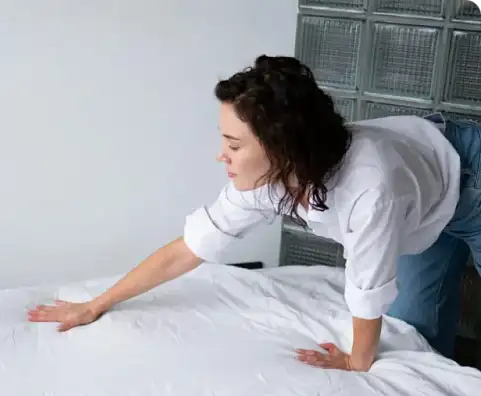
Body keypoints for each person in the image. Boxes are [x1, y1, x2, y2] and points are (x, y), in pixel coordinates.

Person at [28, 55, 481, 372]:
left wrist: (354, 362)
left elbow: (367, 288)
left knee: (382, 341)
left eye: (233, 145)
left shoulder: (369, 187)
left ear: (281, 147)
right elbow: (188, 250)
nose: (220, 155)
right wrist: (97, 304)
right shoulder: (267, 180)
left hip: (467, 176)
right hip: (419, 206)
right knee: (415, 333)